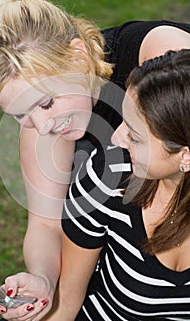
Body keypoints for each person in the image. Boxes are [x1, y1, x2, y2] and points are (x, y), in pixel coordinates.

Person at [0, 0, 190, 319]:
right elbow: (44, 224)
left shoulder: (161, 59)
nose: (41, 126)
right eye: (19, 115)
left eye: (45, 103)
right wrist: (43, 278)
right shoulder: (42, 127)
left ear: (77, 58)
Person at [49, 49, 190, 320]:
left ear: (185, 155)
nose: (116, 138)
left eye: (134, 136)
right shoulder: (107, 176)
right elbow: (65, 300)